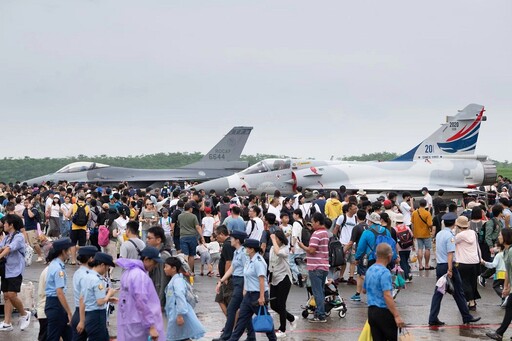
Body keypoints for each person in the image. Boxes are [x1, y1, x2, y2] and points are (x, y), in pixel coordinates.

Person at [428, 212, 481, 326]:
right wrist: (450, 270)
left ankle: (433, 317)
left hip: (440, 266)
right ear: (454, 224)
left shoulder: (439, 234)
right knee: (458, 292)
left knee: (439, 293)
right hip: (448, 266)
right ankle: (466, 317)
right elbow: (450, 254)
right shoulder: (450, 236)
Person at [227, 239, 277, 341]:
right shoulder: (249, 260)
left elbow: (262, 280)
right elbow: (246, 276)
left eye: (246, 248)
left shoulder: (258, 261)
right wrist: (245, 290)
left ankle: (273, 339)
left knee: (264, 319)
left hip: (258, 295)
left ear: (252, 249)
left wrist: (262, 297)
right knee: (242, 319)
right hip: (249, 295)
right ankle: (233, 339)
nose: (245, 249)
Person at [116, 246, 165, 341]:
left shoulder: (128, 272)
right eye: (154, 262)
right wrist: (151, 325)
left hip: (128, 321)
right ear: (146, 259)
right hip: (139, 324)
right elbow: (142, 302)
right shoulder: (140, 276)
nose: (155, 266)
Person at [213, 230, 251, 341]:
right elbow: (232, 268)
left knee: (231, 309)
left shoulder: (244, 253)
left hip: (242, 282)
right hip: (236, 281)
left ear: (237, 240)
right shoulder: (236, 252)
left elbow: (247, 270)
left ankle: (226, 336)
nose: (231, 240)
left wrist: (245, 287)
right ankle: (251, 336)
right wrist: (221, 280)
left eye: (232, 238)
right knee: (245, 310)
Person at [363, 243, 405, 340]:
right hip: (383, 311)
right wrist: (396, 315)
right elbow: (387, 295)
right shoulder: (385, 272)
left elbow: (364, 290)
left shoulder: (370, 269)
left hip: (371, 311)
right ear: (389, 256)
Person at [0, 214, 31, 332]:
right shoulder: (7, 237)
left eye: (6, 223)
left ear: (11, 224)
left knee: (12, 295)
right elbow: (2, 247)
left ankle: (24, 314)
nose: (4, 225)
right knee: (6, 295)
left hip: (15, 270)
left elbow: (8, 249)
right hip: (6, 270)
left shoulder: (19, 237)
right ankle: (7, 323)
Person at [298, 212, 330, 323]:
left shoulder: (316, 234)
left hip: (316, 267)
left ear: (317, 221)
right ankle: (320, 312)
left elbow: (312, 250)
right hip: (324, 265)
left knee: (317, 292)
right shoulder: (325, 233)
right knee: (320, 291)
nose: (311, 224)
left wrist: (302, 246)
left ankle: (320, 315)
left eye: (312, 222)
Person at [164, 257, 206, 341]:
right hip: (175, 314)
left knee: (179, 337)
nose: (164, 269)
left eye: (166, 266)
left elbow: (180, 297)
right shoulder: (175, 280)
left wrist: (180, 315)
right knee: (182, 337)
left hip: (178, 314)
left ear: (174, 268)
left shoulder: (177, 281)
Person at [79, 252, 118, 341]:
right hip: (97, 316)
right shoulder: (97, 280)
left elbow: (83, 297)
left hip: (89, 314)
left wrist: (108, 298)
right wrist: (109, 294)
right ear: (102, 265)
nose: (107, 270)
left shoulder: (87, 276)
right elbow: (100, 302)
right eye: (107, 267)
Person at [45, 237, 74, 341]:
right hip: (56, 304)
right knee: (53, 337)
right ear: (63, 251)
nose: (70, 252)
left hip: (55, 305)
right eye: (69, 250)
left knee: (69, 335)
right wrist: (69, 312)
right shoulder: (58, 268)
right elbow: (59, 292)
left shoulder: (55, 264)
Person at [269, 230, 297, 338]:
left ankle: (282, 329)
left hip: (284, 279)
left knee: (281, 304)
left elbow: (278, 252)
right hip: (275, 278)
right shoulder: (272, 248)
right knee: (273, 305)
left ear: (280, 240)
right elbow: (271, 263)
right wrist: (269, 278)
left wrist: (273, 240)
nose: (274, 241)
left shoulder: (286, 249)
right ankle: (291, 318)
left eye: (276, 238)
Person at [486, 228, 512, 340]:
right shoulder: (505, 251)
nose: (498, 237)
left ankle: (499, 333)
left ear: (506, 237)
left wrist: (509, 287)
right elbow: (508, 271)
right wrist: (506, 287)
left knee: (509, 308)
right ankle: (499, 333)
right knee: (509, 308)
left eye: (500, 235)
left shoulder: (511, 251)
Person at [71, 246, 98, 341]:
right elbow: (83, 298)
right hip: (85, 313)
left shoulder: (79, 272)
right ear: (90, 259)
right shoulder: (85, 275)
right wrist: (82, 321)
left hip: (78, 312)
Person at [454, 215, 481, 311]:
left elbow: (452, 241)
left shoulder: (459, 236)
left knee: (465, 282)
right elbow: (477, 246)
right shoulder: (473, 233)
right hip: (475, 261)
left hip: (463, 261)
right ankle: (472, 301)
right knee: (473, 282)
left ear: (458, 226)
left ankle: (471, 301)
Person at [178, 202, 204, 274]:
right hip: (192, 236)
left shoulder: (180, 216)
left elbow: (179, 225)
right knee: (192, 255)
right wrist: (202, 237)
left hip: (183, 236)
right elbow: (197, 227)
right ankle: (190, 271)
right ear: (190, 208)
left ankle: (185, 270)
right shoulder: (193, 216)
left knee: (185, 254)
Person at [411, 199, 434, 271]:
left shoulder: (414, 213)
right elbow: (430, 224)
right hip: (426, 233)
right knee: (427, 249)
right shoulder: (427, 213)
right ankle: (426, 265)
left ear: (419, 204)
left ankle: (420, 265)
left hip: (417, 233)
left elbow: (412, 223)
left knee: (420, 249)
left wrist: (413, 232)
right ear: (426, 204)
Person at [69, 194, 90, 265]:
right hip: (83, 228)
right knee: (82, 244)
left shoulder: (73, 205)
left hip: (74, 227)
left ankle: (73, 260)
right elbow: (89, 218)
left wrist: (72, 219)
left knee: (73, 244)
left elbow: (68, 215)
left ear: (78, 198)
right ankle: (81, 260)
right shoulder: (87, 207)